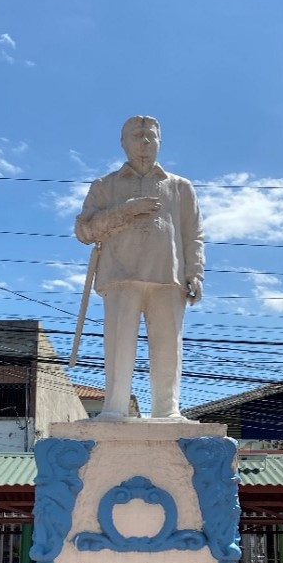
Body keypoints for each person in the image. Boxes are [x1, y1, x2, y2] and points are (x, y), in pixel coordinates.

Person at [75, 116, 204, 420]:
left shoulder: (180, 187)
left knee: (168, 347)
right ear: (123, 142)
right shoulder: (106, 186)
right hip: (120, 276)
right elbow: (85, 231)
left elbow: (194, 234)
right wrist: (126, 210)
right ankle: (115, 407)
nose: (145, 142)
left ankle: (167, 408)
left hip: (168, 277)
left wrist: (195, 272)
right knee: (119, 344)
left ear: (160, 141)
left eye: (151, 136)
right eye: (137, 135)